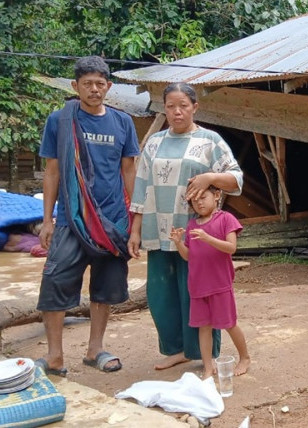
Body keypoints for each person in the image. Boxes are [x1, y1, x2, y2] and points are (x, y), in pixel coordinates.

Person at [127, 82, 245, 372]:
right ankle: (176, 349)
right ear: (164, 108)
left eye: (183, 105)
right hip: (160, 228)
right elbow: (141, 188)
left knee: (195, 292)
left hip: (197, 233)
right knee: (161, 294)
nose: (177, 112)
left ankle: (203, 354)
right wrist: (135, 230)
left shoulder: (210, 140)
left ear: (195, 107)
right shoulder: (154, 142)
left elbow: (236, 179)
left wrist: (208, 177)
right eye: (170, 106)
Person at [36, 55, 139, 376]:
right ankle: (54, 357)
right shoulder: (60, 121)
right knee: (54, 283)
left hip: (112, 223)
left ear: (109, 86)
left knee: (106, 288)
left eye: (99, 84)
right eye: (87, 84)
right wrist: (48, 219)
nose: (94, 90)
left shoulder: (123, 122)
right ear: (75, 86)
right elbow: (51, 171)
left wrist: (135, 222)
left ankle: (95, 349)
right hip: (70, 220)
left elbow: (129, 171)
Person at [169, 186, 250, 378]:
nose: (199, 202)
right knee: (203, 327)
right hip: (198, 285)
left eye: (203, 197)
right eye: (194, 200)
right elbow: (189, 256)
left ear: (216, 196)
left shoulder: (226, 219)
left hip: (220, 284)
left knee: (229, 323)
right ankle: (208, 367)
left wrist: (207, 237)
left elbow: (231, 248)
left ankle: (245, 357)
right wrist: (179, 242)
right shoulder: (191, 225)